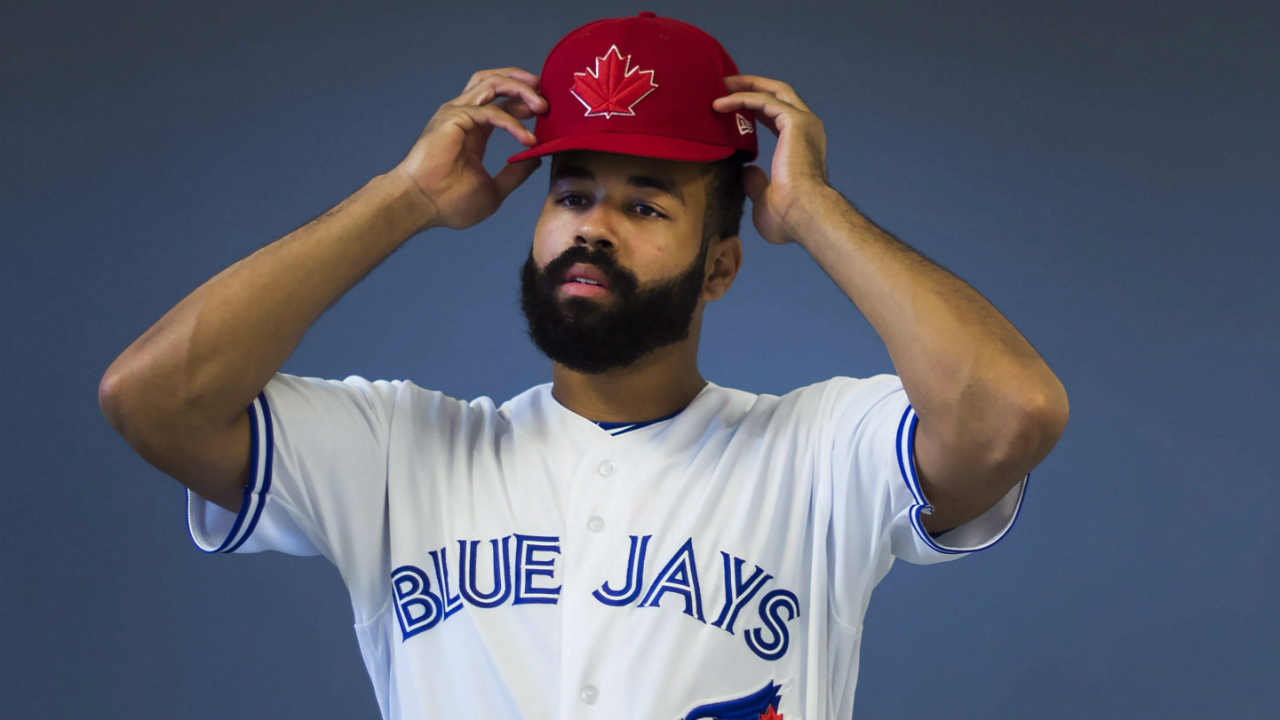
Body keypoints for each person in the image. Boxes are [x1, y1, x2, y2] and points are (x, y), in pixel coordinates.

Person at [99, 11, 1068, 720]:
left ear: (720, 264)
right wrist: (402, 196)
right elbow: (153, 399)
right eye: (571, 194)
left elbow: (1008, 411)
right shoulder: (397, 450)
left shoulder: (818, 452)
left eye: (644, 205)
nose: (591, 228)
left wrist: (813, 211)